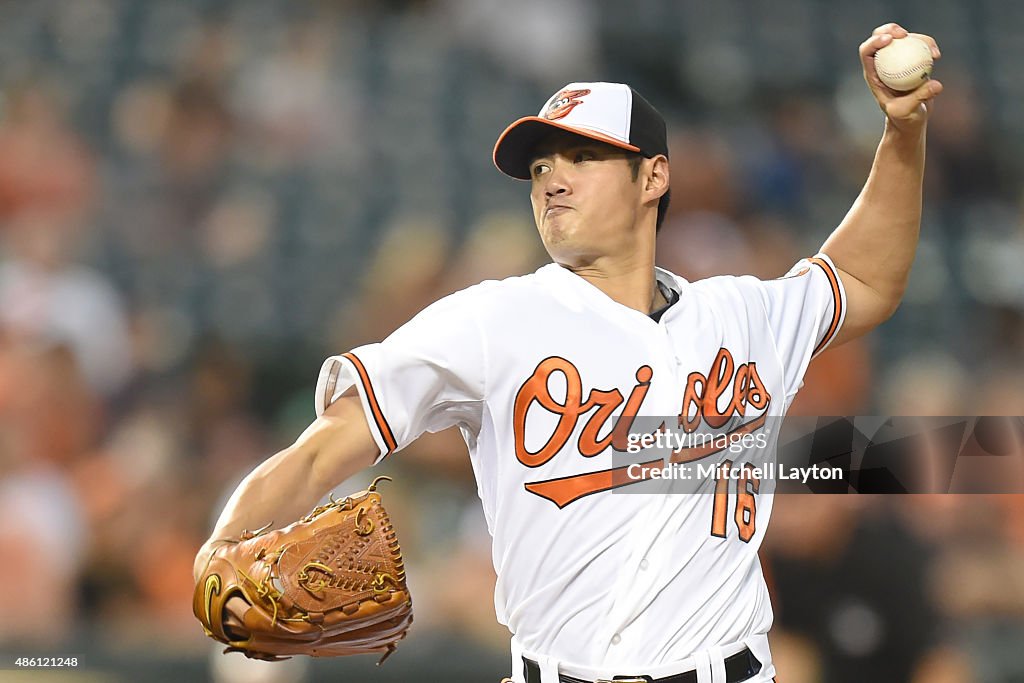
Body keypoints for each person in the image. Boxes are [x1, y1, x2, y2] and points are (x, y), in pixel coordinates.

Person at [195, 24, 942, 683]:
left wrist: (901, 134)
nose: (552, 176)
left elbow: (865, 276)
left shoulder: (742, 313)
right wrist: (226, 540)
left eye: (581, 155)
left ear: (653, 176)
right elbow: (326, 447)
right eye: (541, 164)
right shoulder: (493, 319)